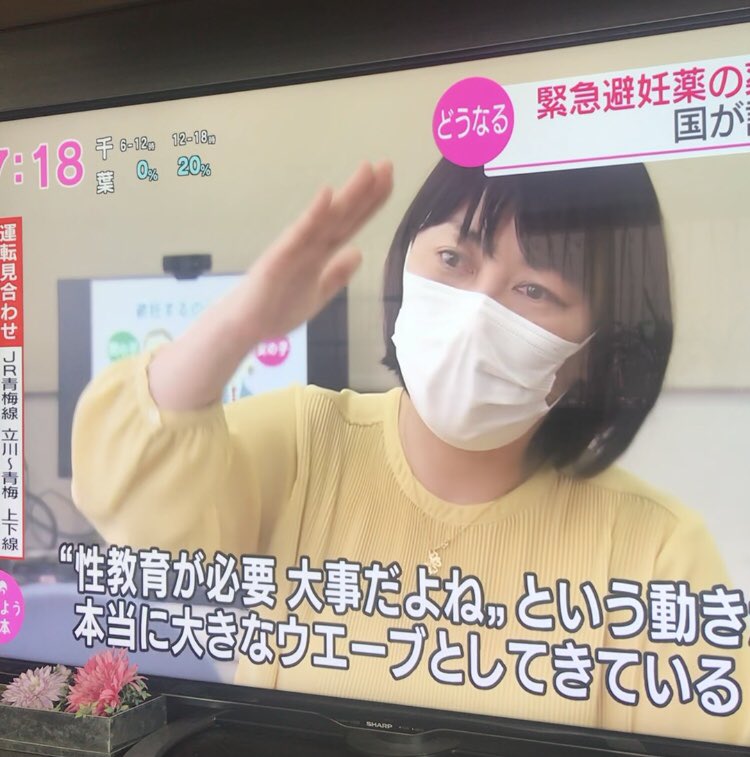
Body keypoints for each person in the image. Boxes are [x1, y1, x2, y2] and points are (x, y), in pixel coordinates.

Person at [71, 159, 749, 744]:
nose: (475, 313)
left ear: (598, 348)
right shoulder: (304, 440)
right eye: (454, 259)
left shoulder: (658, 550)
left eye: (534, 290)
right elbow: (133, 508)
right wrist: (235, 325)